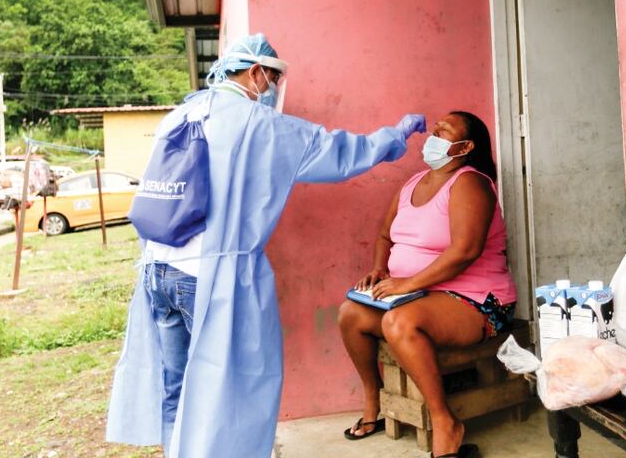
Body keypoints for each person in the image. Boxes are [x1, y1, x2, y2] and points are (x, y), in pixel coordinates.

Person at [106, 33, 427, 458]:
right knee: (228, 391)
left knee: (177, 386)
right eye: (273, 78)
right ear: (256, 73)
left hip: (157, 272)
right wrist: (394, 137)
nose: (274, 89)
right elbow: (338, 152)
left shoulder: (181, 113)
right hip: (208, 276)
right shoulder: (258, 124)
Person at [337, 111, 518, 458]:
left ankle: (446, 422)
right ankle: (374, 399)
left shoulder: (471, 182)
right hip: (419, 295)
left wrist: (406, 284)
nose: (433, 135)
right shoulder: (412, 183)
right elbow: (383, 235)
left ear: (465, 146)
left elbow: (465, 251)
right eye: (435, 129)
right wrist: (379, 271)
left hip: (476, 300)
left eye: (444, 132)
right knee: (351, 315)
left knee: (399, 321)